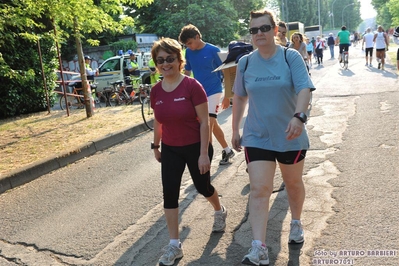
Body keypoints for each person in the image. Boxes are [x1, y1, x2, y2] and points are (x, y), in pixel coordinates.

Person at [231, 8, 315, 266]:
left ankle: (297, 222)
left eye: (264, 28)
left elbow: (304, 89)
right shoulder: (245, 62)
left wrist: (298, 117)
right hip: (257, 136)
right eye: (254, 30)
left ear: (275, 30)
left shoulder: (290, 57)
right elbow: (240, 97)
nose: (259, 34)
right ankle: (259, 248)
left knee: (292, 184)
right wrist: (234, 130)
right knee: (259, 190)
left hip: (290, 135)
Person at [150, 37, 227, 266]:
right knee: (170, 194)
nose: (166, 64)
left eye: (170, 59)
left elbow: (205, 122)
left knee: (203, 187)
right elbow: (158, 121)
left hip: (196, 146)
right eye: (160, 60)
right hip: (171, 148)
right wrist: (156, 146)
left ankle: (219, 209)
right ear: (156, 63)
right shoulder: (156, 91)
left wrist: (204, 153)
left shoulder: (192, 86)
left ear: (179, 60)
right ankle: (175, 245)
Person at [179, 24, 235, 165]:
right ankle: (228, 150)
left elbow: (225, 72)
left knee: (207, 124)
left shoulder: (213, 50)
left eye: (190, 43)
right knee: (212, 123)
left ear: (197, 37)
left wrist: (228, 96)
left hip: (214, 91)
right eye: (186, 44)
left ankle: (206, 159)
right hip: (198, 93)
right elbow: (187, 73)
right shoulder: (189, 52)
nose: (189, 46)